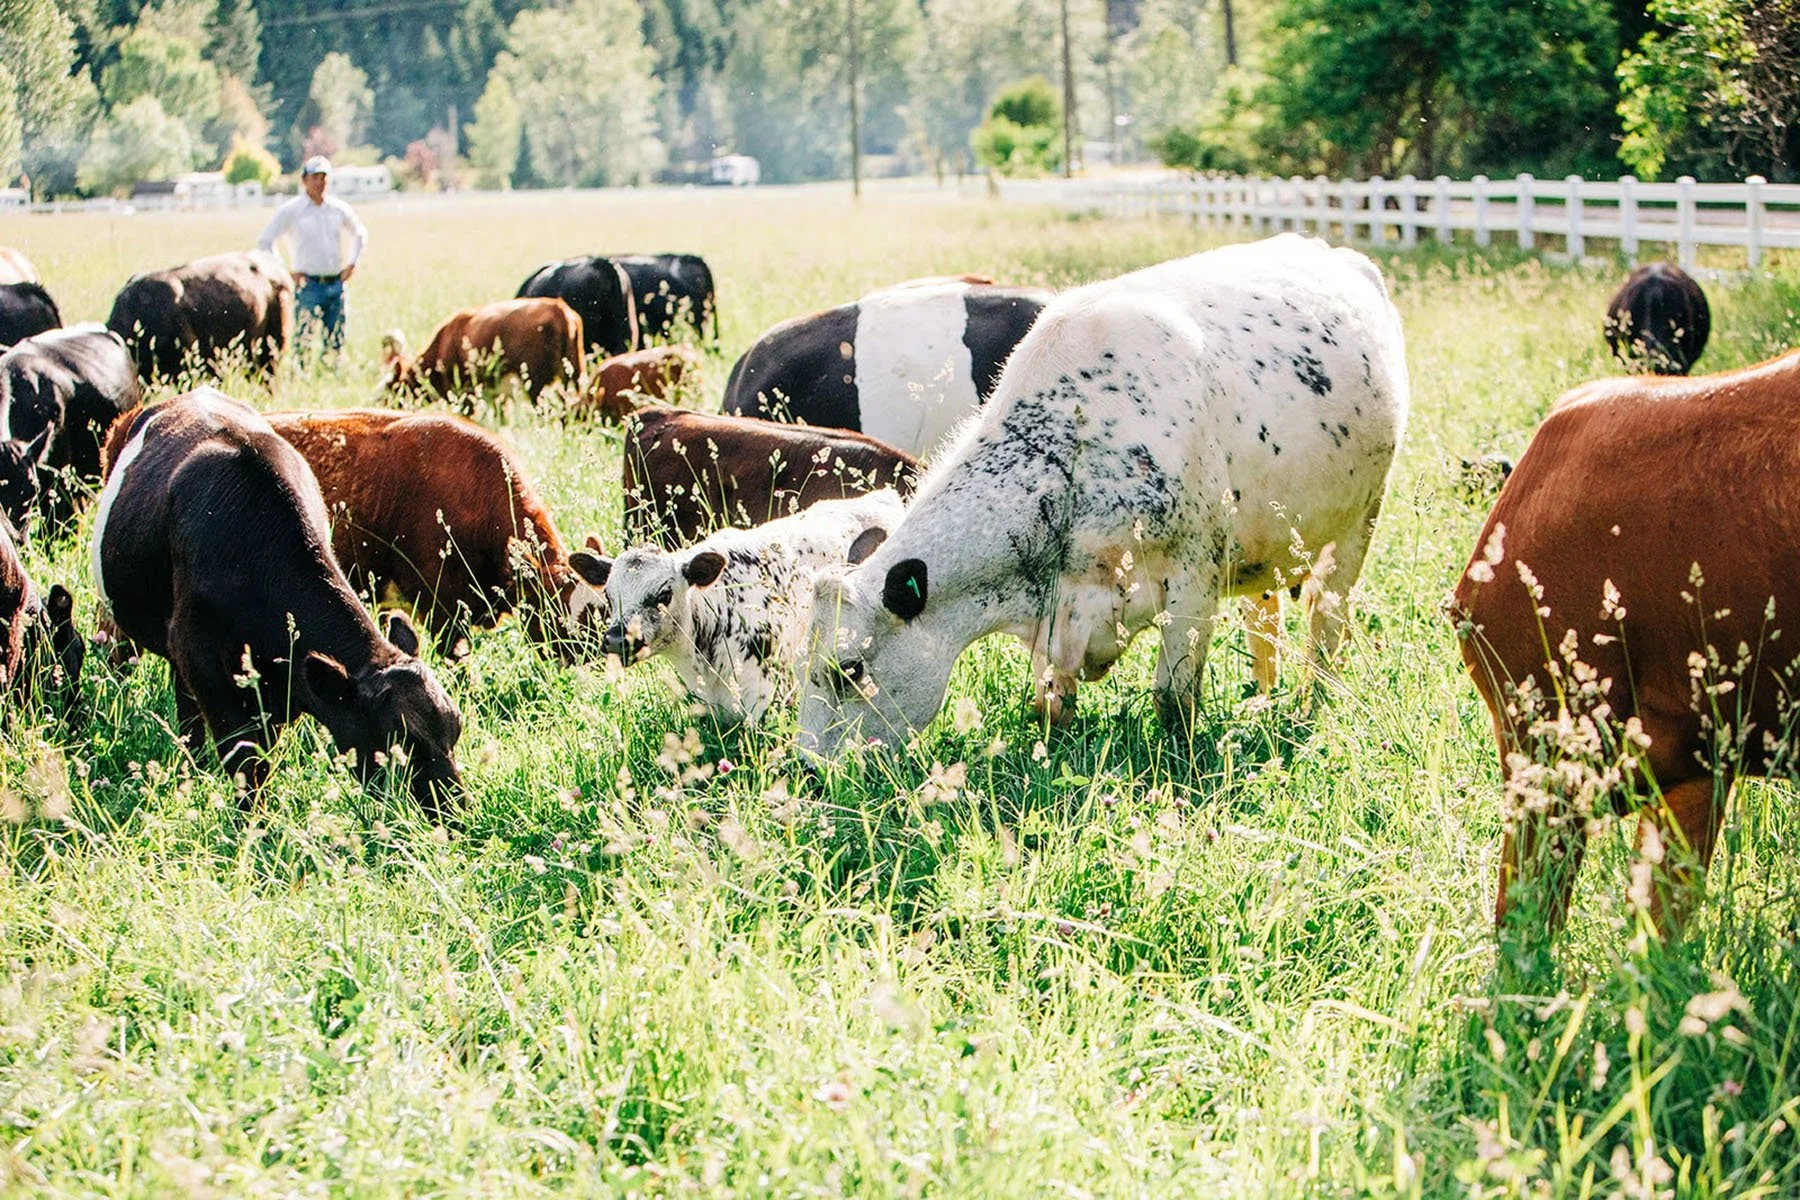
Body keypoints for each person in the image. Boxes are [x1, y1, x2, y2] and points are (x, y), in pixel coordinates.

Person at [257, 156, 368, 356]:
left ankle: (331, 375)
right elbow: (265, 241)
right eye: (315, 177)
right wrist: (285, 272)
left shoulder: (337, 209)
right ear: (304, 180)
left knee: (335, 340)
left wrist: (352, 263)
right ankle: (302, 375)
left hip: (335, 283)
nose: (319, 182)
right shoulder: (292, 210)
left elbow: (359, 233)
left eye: (323, 177)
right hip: (308, 285)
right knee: (303, 340)